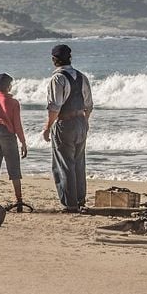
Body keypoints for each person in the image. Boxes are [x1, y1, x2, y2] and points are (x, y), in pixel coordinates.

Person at [41, 44, 93, 211]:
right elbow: (89, 105)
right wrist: (86, 122)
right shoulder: (82, 77)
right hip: (81, 122)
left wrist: (47, 127)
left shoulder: (57, 79)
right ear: (70, 58)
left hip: (65, 123)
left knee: (64, 164)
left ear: (53, 60)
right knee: (79, 162)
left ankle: (69, 204)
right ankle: (80, 199)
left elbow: (55, 107)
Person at [0, 72, 28, 205]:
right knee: (14, 168)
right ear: (8, 86)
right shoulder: (13, 102)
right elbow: (17, 125)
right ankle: (19, 200)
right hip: (8, 134)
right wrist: (23, 142)